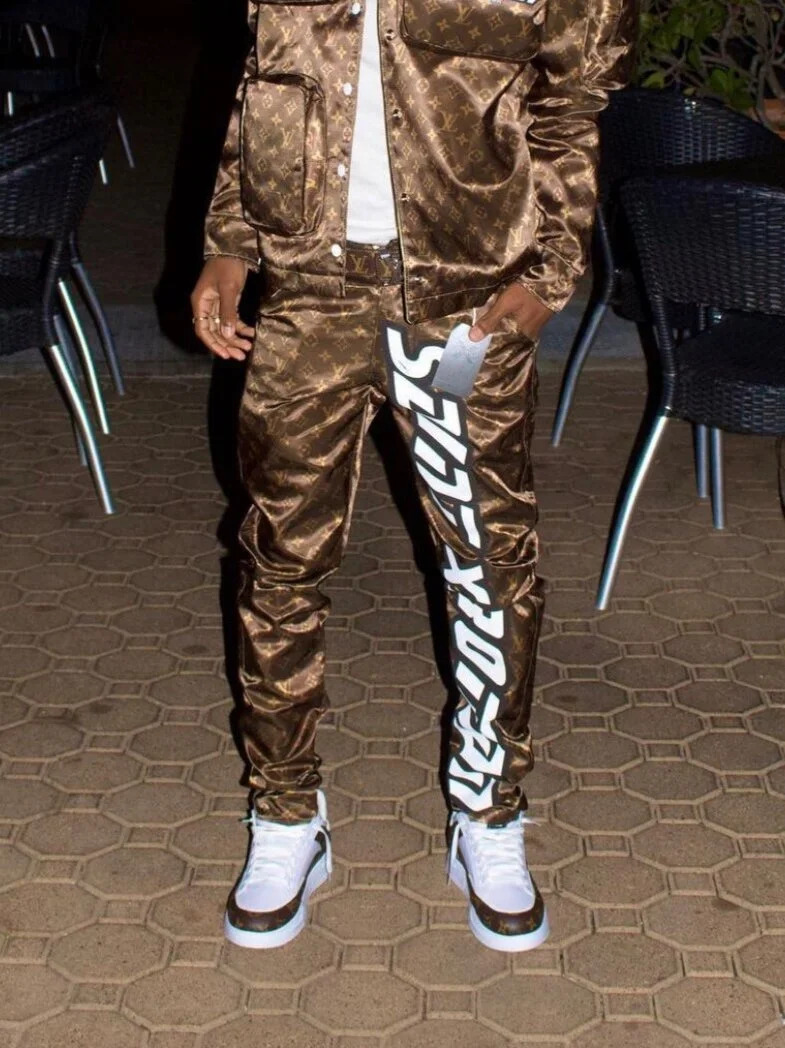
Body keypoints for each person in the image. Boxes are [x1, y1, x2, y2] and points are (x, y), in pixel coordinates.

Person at [192, 0, 635, 952]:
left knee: (488, 568)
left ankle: (488, 812)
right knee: (278, 561)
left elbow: (572, 106)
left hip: (462, 308)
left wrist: (550, 272)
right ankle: (285, 814)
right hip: (308, 296)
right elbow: (262, 89)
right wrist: (229, 243)